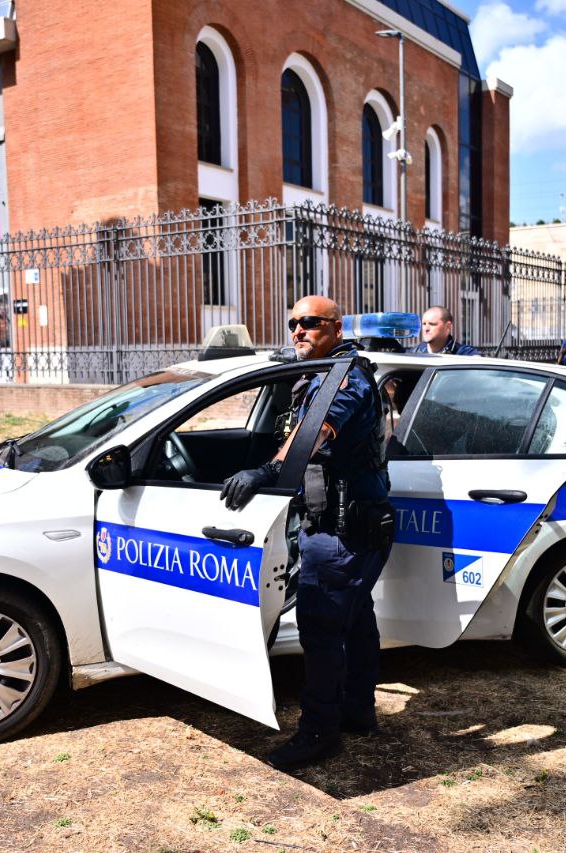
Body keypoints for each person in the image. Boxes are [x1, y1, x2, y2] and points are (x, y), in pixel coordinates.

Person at [220, 295, 395, 771]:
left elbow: (315, 434)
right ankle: (358, 712)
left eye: (310, 323)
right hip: (348, 525)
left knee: (320, 629)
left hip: (344, 530)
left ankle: (320, 731)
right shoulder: (324, 373)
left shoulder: (345, 378)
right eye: (293, 323)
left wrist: (266, 471)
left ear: (336, 328)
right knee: (356, 622)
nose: (298, 331)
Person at [412, 306, 479, 355]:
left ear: (447, 327)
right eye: (424, 324)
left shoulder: (465, 355)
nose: (426, 329)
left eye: (432, 324)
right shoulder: (414, 353)